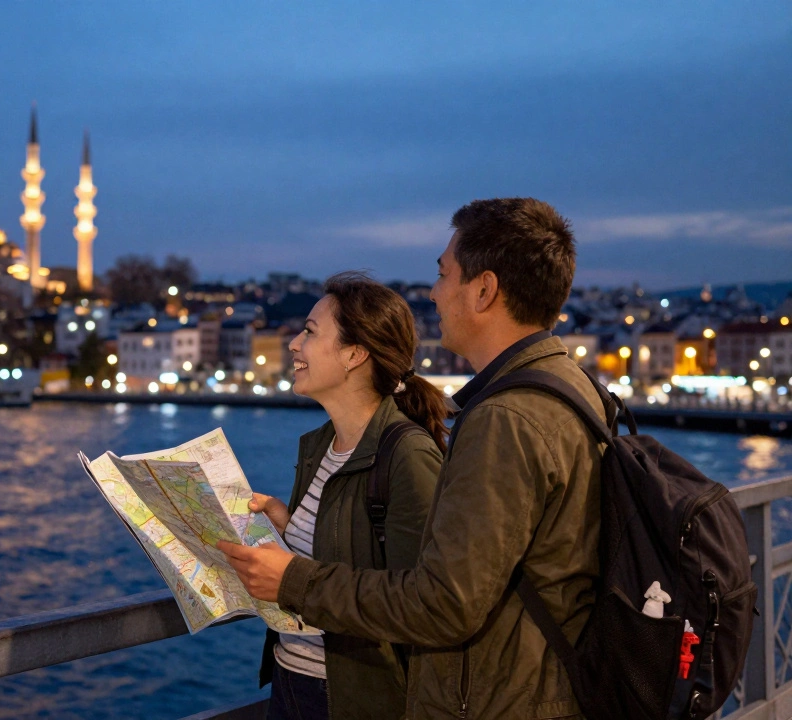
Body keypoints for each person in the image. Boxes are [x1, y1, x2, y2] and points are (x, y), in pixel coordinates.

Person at [220, 198, 603, 719]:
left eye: (443, 274)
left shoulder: (504, 419)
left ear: (484, 290)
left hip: (500, 702)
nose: (433, 292)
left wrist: (292, 580)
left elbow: (442, 603)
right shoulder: (570, 388)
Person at [252, 271, 446, 720]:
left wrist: (292, 576)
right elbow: (341, 555)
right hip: (290, 678)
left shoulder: (408, 455)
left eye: (309, 332)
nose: (294, 344)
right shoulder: (320, 446)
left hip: (352, 698)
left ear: (355, 354)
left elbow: (424, 602)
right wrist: (288, 528)